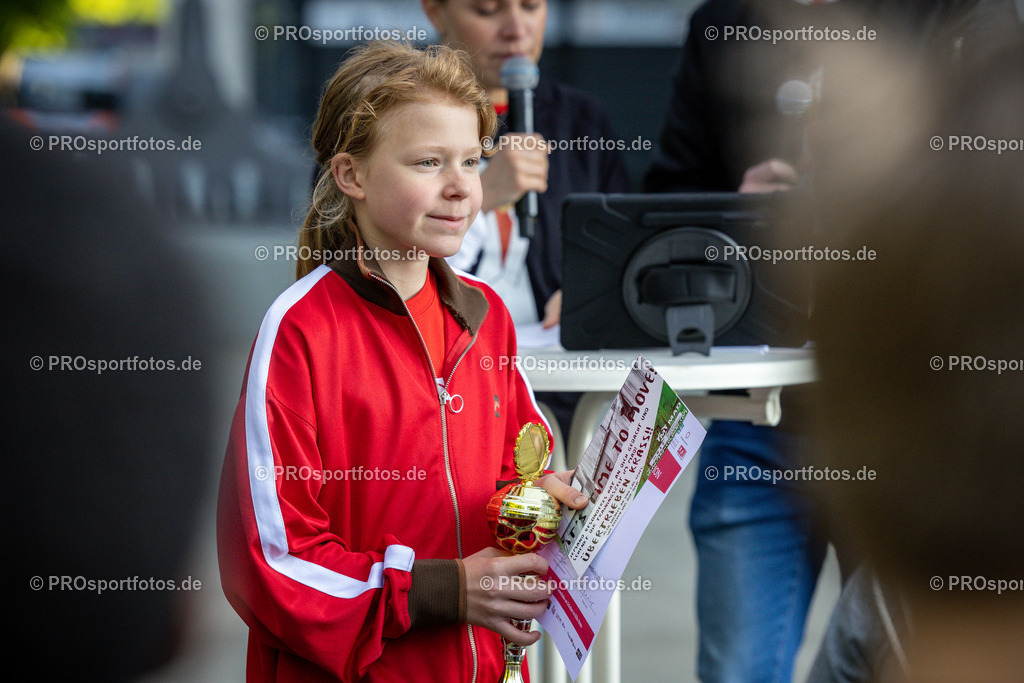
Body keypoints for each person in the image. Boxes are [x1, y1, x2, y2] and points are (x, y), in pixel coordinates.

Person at [644, 1, 1022, 681]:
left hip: (907, 413)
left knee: (903, 654)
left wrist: (861, 194)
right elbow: (669, 201)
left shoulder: (956, 13)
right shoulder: (723, 23)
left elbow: (990, 187)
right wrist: (739, 205)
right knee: (737, 668)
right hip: (754, 407)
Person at [216, 41, 588, 682]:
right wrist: (439, 591)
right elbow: (271, 562)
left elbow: (506, 476)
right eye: (427, 162)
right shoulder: (300, 331)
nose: (459, 188)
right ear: (351, 176)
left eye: (471, 161)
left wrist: (536, 500)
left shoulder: (487, 316)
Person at [422, 0, 633, 438]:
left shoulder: (580, 120)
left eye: (533, 7)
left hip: (566, 396)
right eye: (487, 10)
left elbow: (629, 246)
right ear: (435, 12)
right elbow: (352, 250)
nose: (516, 29)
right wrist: (482, 192)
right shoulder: (392, 117)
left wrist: (594, 293)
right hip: (437, 396)